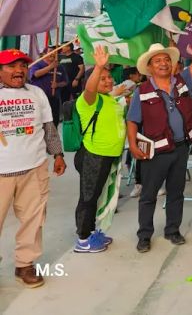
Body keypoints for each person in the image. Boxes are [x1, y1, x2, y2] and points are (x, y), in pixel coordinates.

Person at [126, 19, 192, 253]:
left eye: (167, 59)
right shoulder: (142, 91)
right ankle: (144, 235)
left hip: (180, 148)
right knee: (148, 195)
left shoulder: (182, 80)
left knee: (176, 192)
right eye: (158, 61)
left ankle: (172, 230)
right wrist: (133, 144)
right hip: (155, 151)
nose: (164, 63)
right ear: (150, 68)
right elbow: (132, 119)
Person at [0, 49, 66, 288]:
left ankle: (25, 265)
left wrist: (58, 154)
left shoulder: (37, 93)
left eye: (22, 66)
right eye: (11, 66)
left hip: (34, 167)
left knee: (33, 219)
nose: (19, 71)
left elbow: (49, 128)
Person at [73, 46, 126, 253]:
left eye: (109, 77)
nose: (109, 80)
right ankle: (83, 240)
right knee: (88, 197)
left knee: (100, 197)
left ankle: (92, 231)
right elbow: (90, 89)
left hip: (110, 156)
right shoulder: (88, 100)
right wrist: (98, 67)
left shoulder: (109, 99)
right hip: (94, 156)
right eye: (103, 79)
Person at [29, 48, 68, 126]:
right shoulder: (37, 64)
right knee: (39, 121)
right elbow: (36, 74)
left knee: (54, 121)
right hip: (39, 99)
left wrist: (57, 84)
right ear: (44, 54)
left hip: (54, 98)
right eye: (51, 52)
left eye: (55, 52)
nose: (53, 54)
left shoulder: (60, 67)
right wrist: (50, 67)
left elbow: (65, 82)